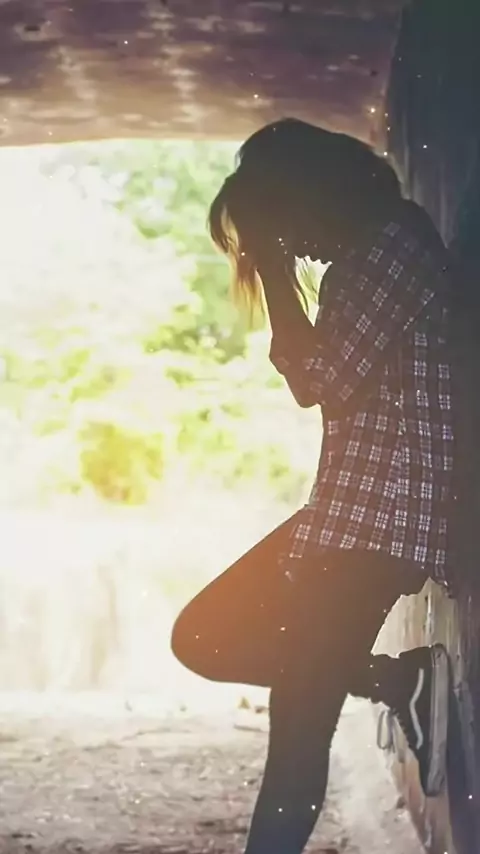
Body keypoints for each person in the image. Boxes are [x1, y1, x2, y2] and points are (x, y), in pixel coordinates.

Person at [171, 118, 455, 854]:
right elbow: (317, 380)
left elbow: (318, 380)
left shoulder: (393, 246)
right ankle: (393, 681)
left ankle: (388, 684)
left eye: (285, 229)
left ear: (313, 194)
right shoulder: (362, 261)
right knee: (203, 638)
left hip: (380, 524)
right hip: (344, 516)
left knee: (297, 729)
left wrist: (272, 273)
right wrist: (273, 264)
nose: (294, 249)